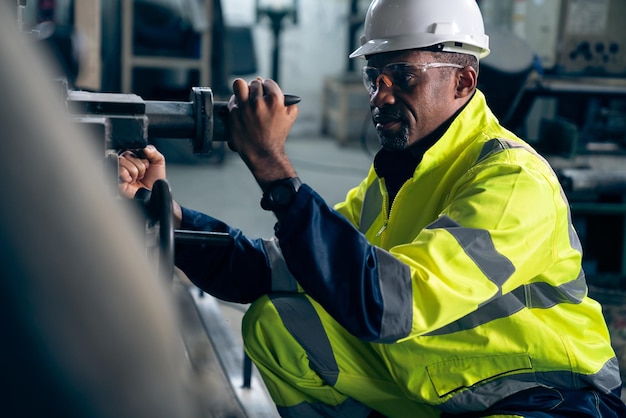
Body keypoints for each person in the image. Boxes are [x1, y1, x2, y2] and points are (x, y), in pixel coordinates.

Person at [119, 0, 626, 416]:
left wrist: (273, 167)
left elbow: (385, 306)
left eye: (402, 75)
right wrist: (165, 214)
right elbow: (273, 268)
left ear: (463, 83)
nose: (380, 95)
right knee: (280, 326)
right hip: (441, 386)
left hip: (546, 395)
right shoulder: (395, 176)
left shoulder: (512, 181)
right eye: (374, 76)